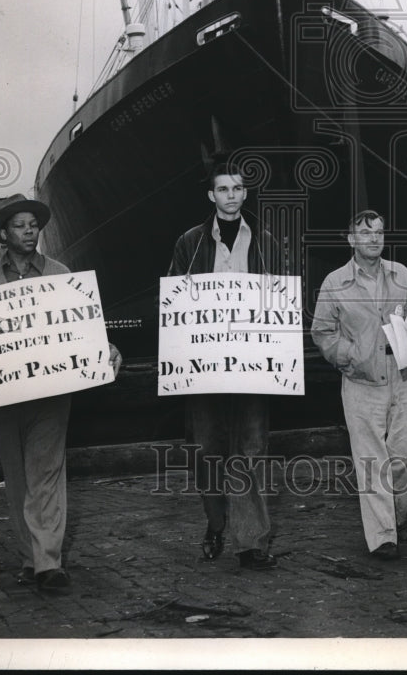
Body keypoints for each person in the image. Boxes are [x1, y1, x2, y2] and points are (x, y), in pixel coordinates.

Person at [0, 193, 122, 593]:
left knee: (46, 471)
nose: (29, 231)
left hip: (52, 392)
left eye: (33, 224)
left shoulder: (61, 274)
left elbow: (86, 327)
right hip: (3, 395)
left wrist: (107, 349)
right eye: (20, 225)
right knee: (17, 475)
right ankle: (31, 557)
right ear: (3, 233)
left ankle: (48, 562)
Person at [167, 163, 281, 571]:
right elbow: (173, 302)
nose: (231, 195)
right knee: (206, 450)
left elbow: (281, 300)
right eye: (223, 189)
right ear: (211, 196)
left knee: (250, 449)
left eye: (238, 188)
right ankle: (216, 522)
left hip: (253, 365)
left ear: (245, 194)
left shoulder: (266, 241)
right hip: (204, 366)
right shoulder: (190, 243)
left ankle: (251, 542)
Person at [310, 209, 407, 560]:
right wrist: (350, 357)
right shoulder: (335, 282)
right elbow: (322, 331)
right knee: (371, 461)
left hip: (402, 377)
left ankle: (398, 517)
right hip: (361, 383)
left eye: (378, 232)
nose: (373, 238)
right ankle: (383, 538)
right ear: (351, 240)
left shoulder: (400, 274)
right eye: (364, 232)